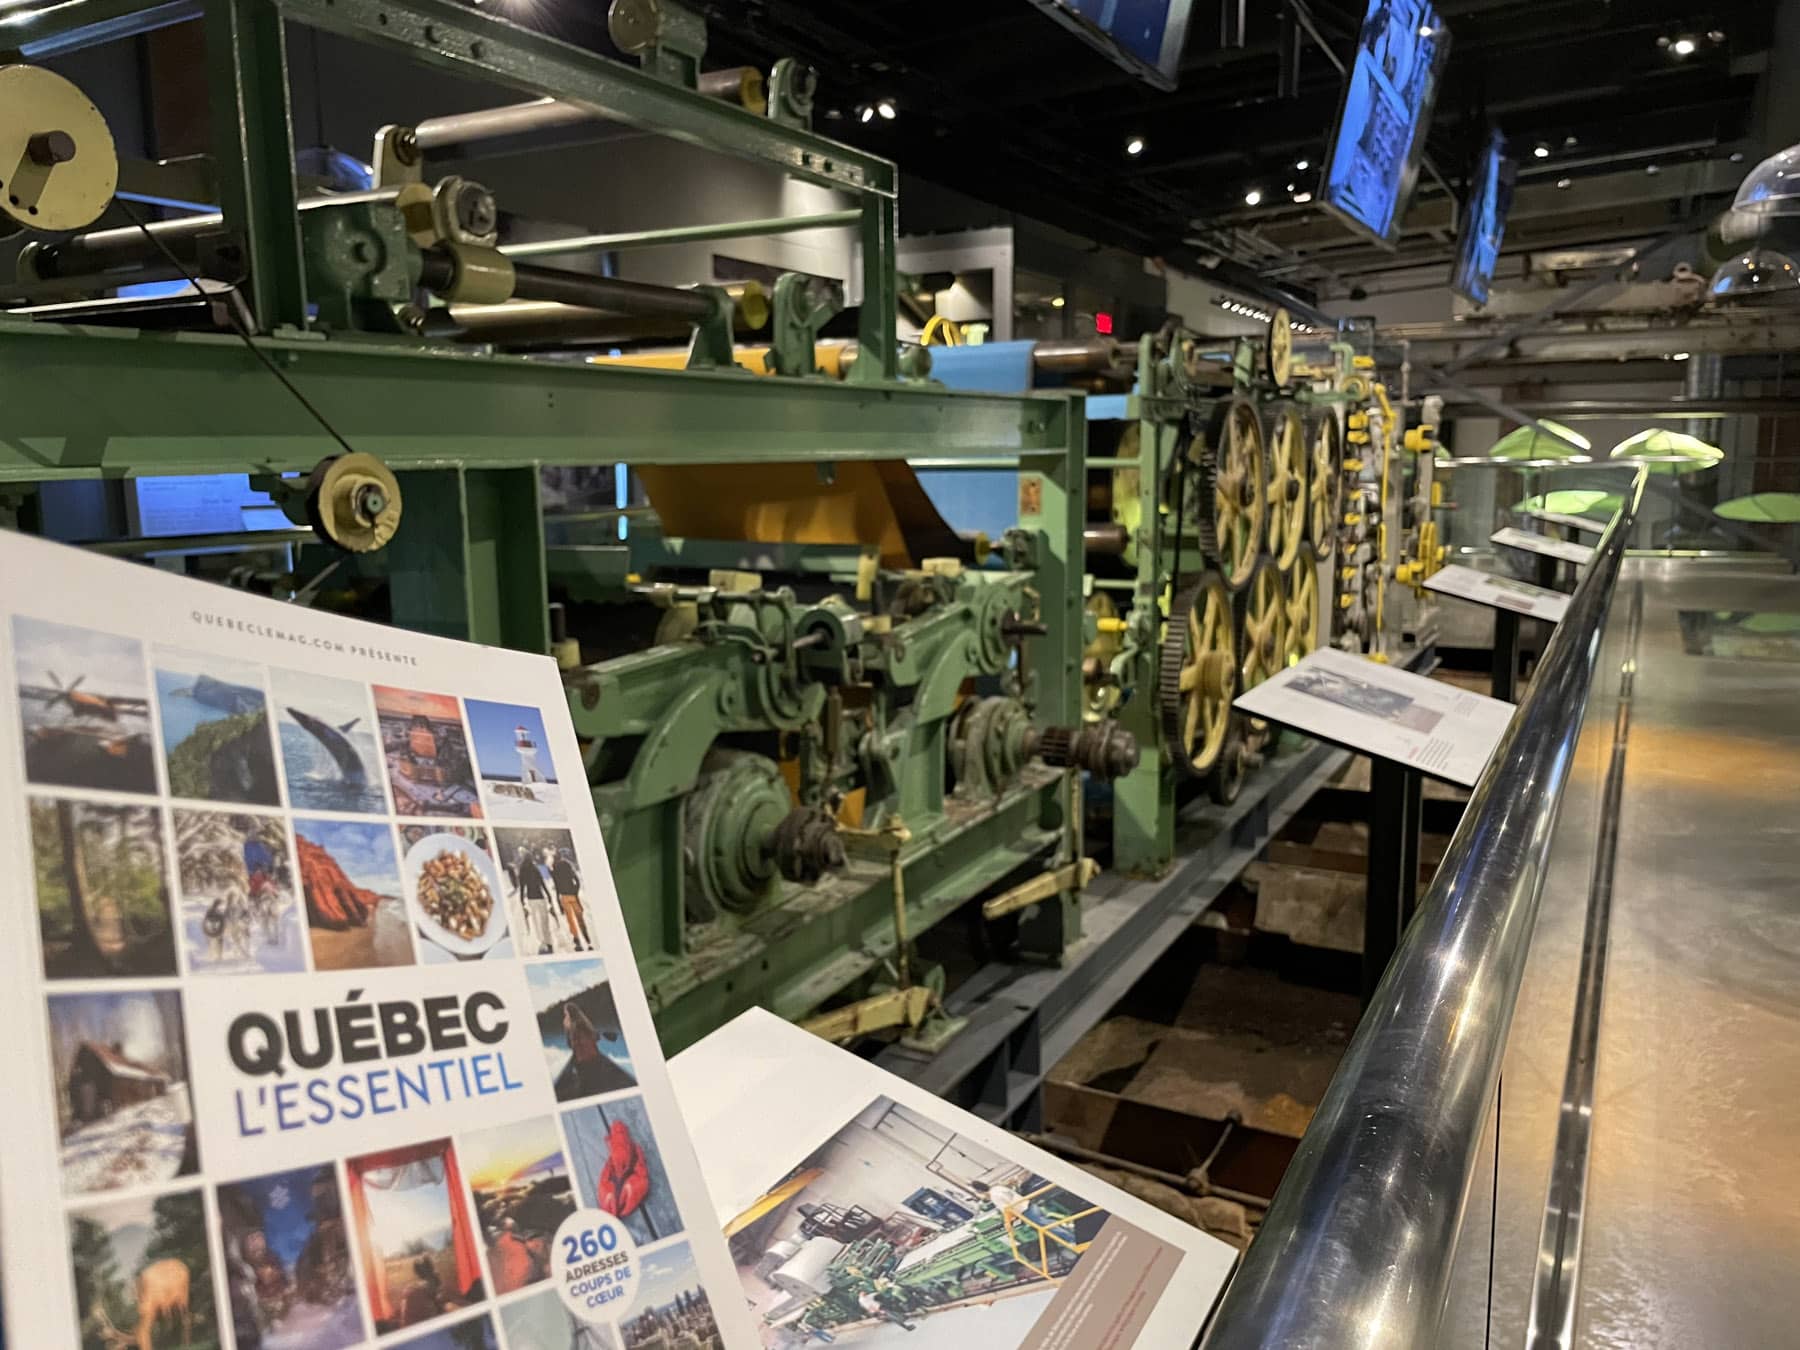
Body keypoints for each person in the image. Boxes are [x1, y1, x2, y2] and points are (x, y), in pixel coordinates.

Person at [514, 843, 556, 954]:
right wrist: (549, 896)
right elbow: (542, 883)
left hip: (531, 899)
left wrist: (521, 900)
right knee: (544, 921)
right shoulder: (535, 868)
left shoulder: (522, 870)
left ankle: (542, 942)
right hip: (541, 897)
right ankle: (549, 942)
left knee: (536, 922)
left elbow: (522, 887)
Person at [549, 845, 592, 951]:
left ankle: (576, 939)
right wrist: (575, 891)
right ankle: (586, 938)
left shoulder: (555, 869)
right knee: (579, 917)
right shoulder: (567, 864)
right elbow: (576, 879)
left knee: (570, 919)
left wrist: (558, 902)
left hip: (564, 897)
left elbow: (557, 886)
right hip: (573, 895)